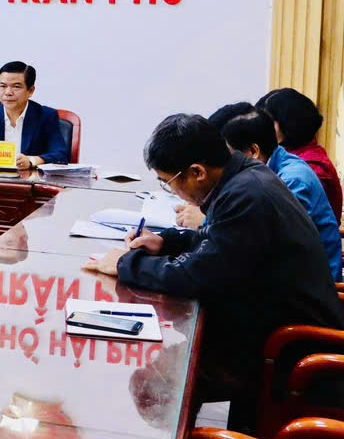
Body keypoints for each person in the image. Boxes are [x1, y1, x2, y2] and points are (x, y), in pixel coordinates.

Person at [84, 114, 344, 402]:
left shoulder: (247, 195)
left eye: (169, 183)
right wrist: (166, 242)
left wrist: (124, 264)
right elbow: (220, 243)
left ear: (197, 172)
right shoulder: (245, 179)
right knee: (161, 362)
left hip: (290, 354)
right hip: (269, 330)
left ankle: (191, 433)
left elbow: (195, 277)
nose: (173, 193)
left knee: (153, 387)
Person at [176, 103, 341, 279]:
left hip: (311, 281)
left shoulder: (292, 179)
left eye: (223, 154)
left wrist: (205, 221)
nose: (216, 162)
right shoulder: (266, 168)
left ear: (253, 151)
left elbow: (265, 240)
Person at [257, 87, 342, 221]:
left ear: (288, 124)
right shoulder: (290, 157)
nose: (260, 130)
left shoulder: (310, 168)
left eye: (267, 123)